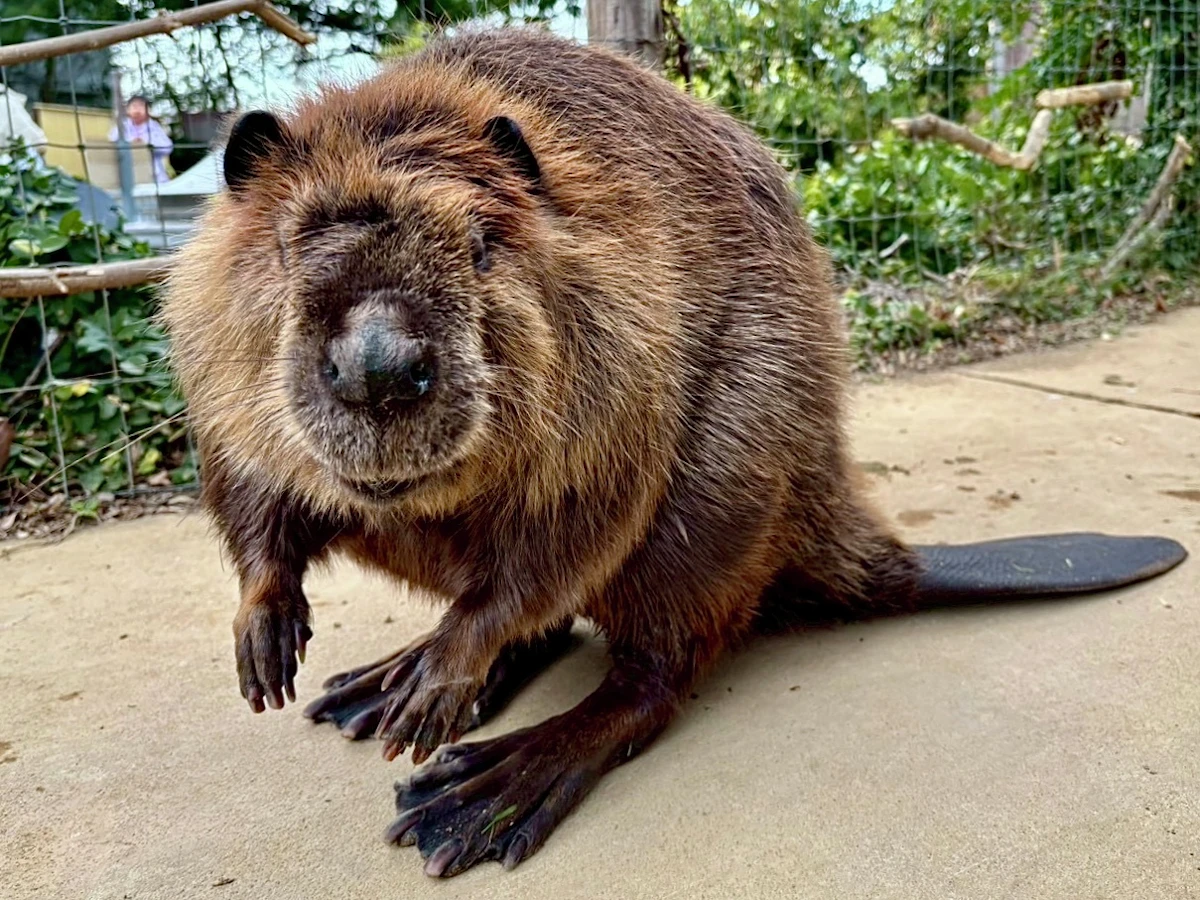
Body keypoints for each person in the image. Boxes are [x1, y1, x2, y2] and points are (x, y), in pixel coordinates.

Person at [108, 94, 173, 184]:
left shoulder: (154, 127)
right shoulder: (121, 126)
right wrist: (131, 143)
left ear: (148, 110)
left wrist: (146, 144)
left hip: (153, 176)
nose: (137, 110)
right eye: (134, 106)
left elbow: (167, 147)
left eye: (141, 106)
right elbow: (112, 144)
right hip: (128, 175)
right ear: (127, 110)